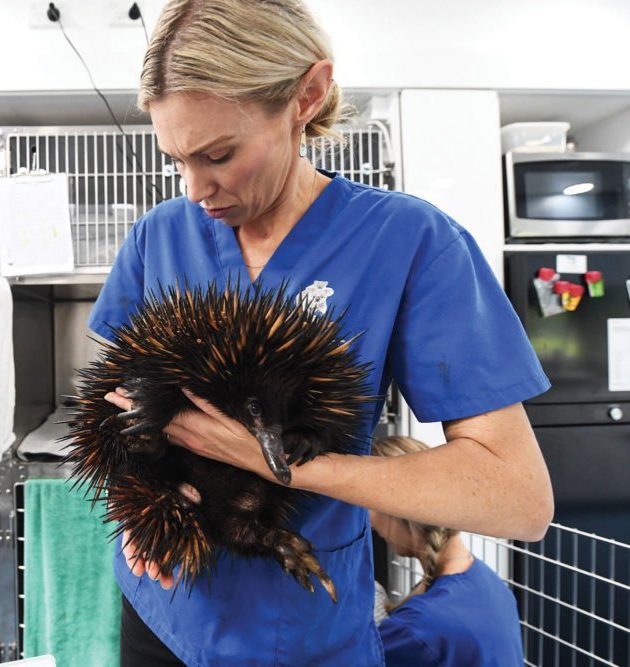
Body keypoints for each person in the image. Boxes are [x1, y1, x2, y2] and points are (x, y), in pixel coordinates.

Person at [88, 0, 554, 664]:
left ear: (307, 95)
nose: (195, 190)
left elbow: (519, 498)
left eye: (219, 154)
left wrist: (278, 460)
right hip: (162, 609)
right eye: (177, 160)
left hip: (300, 626)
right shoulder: (157, 236)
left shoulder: (412, 242)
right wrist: (138, 503)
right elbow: (114, 404)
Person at [371, 435, 525, 666]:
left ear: (397, 508)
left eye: (367, 507)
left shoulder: (415, 628)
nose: (371, 525)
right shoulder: (487, 582)